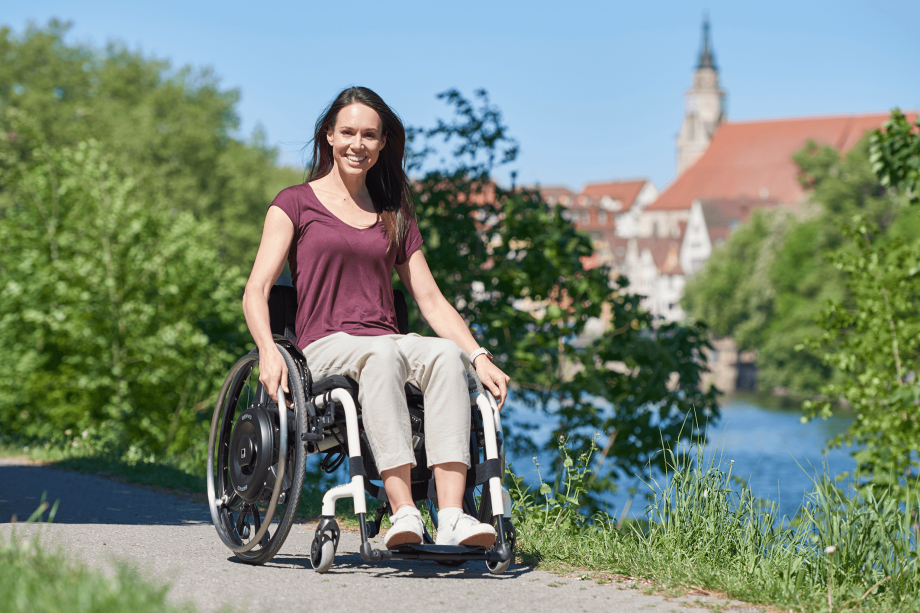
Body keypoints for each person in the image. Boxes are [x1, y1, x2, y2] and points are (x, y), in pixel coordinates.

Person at [241, 86, 511, 549]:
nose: (357, 144)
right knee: (382, 353)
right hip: (323, 347)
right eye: (347, 132)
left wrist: (479, 355)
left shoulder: (393, 213)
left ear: (383, 143)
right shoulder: (295, 204)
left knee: (447, 356)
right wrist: (268, 350)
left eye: (369, 135)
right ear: (329, 136)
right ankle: (403, 509)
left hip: (383, 340)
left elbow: (430, 298)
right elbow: (256, 290)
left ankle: (451, 515)